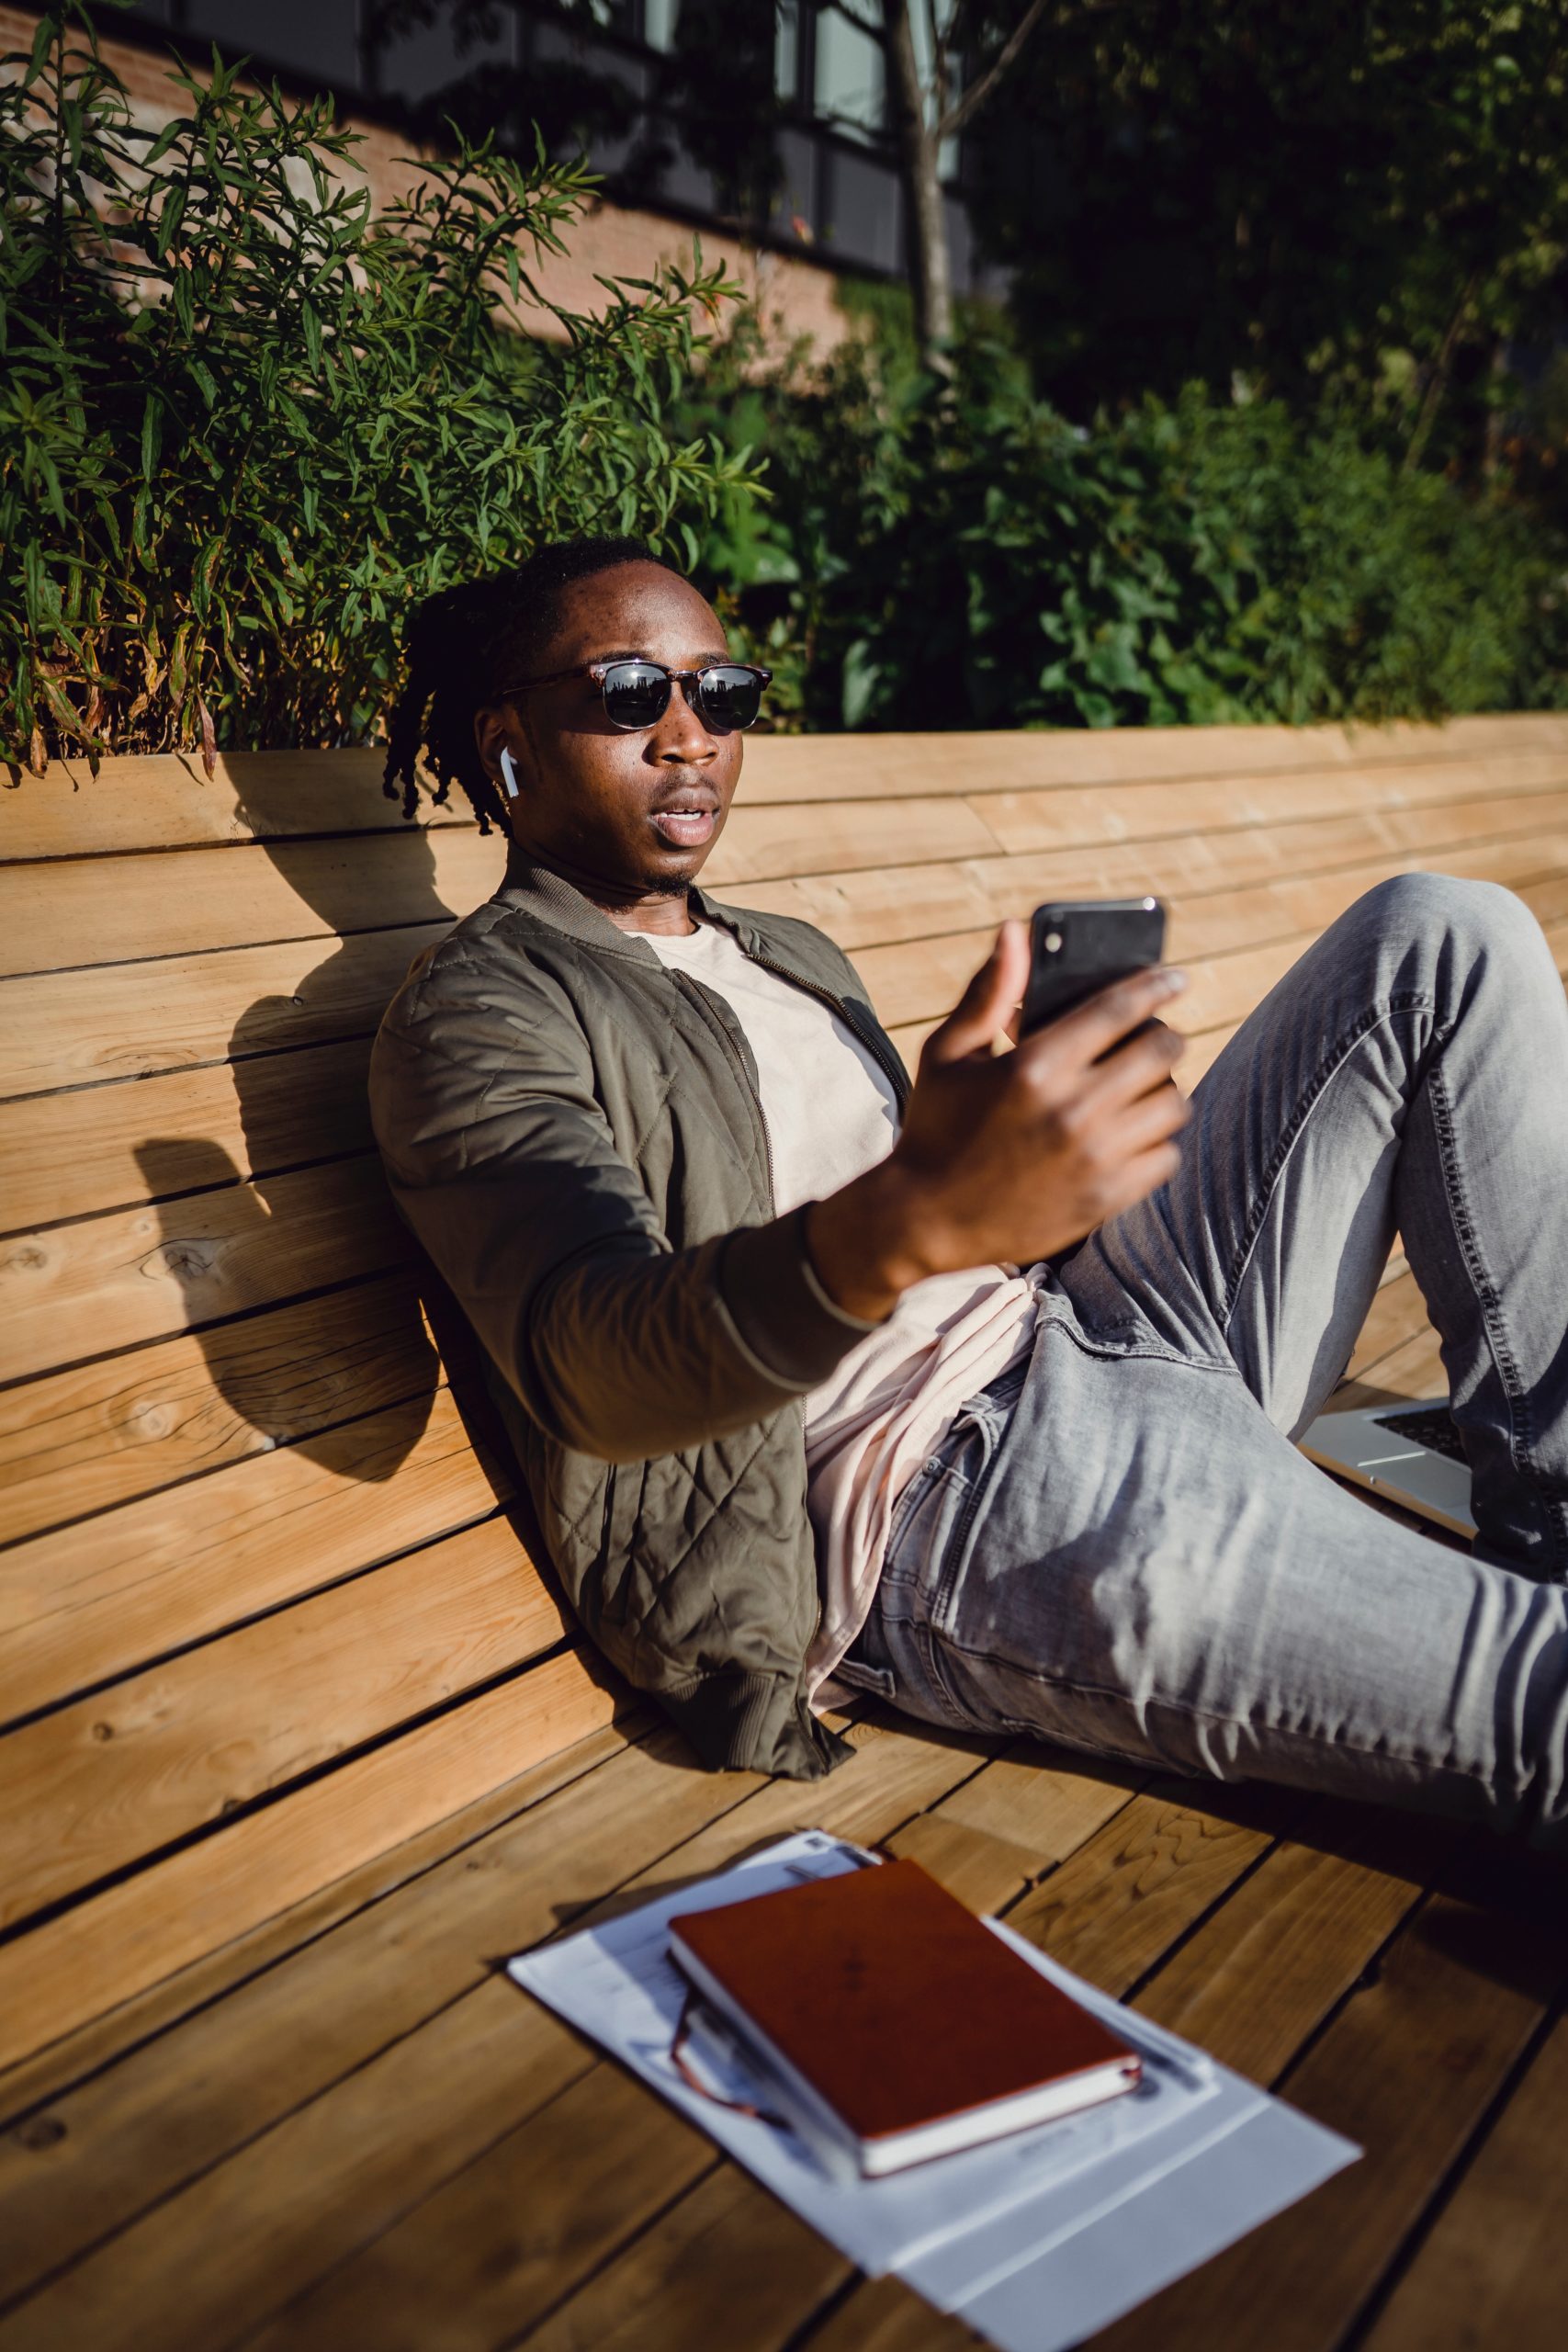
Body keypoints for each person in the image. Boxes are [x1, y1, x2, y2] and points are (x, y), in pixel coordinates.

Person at [371, 534, 1568, 1845]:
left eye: (722, 695)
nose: (686, 735)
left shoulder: (785, 953)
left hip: (1092, 1318)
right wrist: (928, 1208)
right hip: (951, 1491)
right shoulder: (480, 1016)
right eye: (626, 693)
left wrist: (1041, 1161)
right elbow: (589, 1355)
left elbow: (937, 1225)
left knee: (1444, 935)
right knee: (1539, 1693)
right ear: (507, 741)